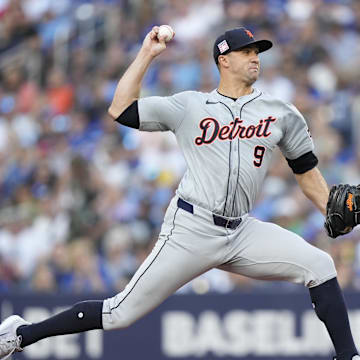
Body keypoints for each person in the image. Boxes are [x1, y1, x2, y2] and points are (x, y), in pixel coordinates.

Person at [0, 26, 358, 360]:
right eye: (246, 51)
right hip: (192, 227)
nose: (255, 58)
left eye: (258, 52)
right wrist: (146, 54)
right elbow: (120, 108)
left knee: (320, 265)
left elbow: (305, 170)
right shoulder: (190, 105)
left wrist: (329, 207)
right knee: (119, 313)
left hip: (241, 230)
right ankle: (22, 334)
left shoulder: (280, 113)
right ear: (224, 60)